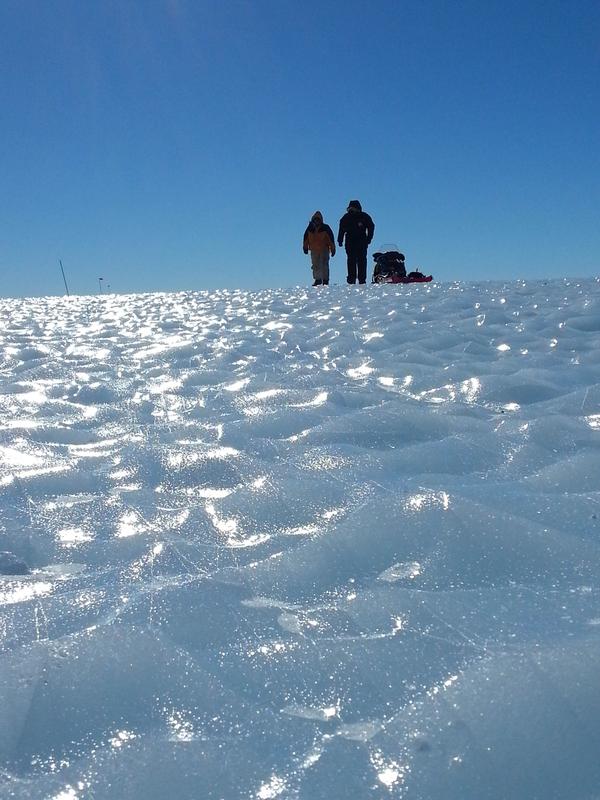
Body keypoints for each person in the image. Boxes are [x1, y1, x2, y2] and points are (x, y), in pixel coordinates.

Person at [337, 200, 375, 284]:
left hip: (362, 242)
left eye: (353, 208)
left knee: (362, 261)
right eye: (350, 208)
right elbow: (341, 229)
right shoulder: (346, 217)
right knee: (351, 260)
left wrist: (369, 239)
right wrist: (340, 240)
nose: (352, 209)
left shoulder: (364, 216)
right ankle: (351, 279)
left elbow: (371, 227)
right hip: (350, 242)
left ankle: (362, 280)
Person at [303, 211, 336, 286]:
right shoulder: (309, 229)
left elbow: (331, 239)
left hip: (324, 249)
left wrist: (333, 248)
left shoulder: (325, 228)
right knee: (315, 265)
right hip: (314, 250)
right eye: (315, 219)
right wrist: (305, 247)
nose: (316, 221)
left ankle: (325, 280)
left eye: (318, 220)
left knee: (324, 265)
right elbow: (305, 239)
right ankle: (317, 279)